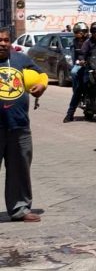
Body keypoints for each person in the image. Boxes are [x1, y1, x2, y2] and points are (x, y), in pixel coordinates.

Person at [0, 27, 47, 222]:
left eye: (5, 40)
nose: (2, 43)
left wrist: (42, 85)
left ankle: (19, 209)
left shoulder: (20, 60)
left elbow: (42, 74)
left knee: (20, 169)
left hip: (19, 126)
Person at [63, 21, 89, 123]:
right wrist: (78, 62)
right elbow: (73, 56)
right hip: (80, 64)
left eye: (83, 31)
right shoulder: (74, 42)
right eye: (79, 32)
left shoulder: (90, 41)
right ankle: (70, 114)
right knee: (74, 74)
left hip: (91, 65)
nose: (82, 34)